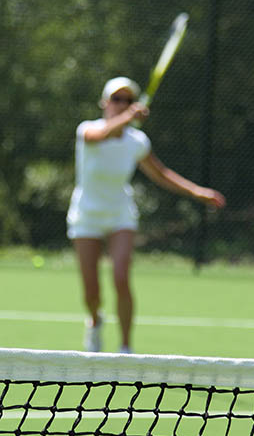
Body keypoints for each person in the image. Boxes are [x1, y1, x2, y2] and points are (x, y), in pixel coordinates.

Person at [67, 77, 226, 354]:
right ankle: (94, 321)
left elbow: (161, 174)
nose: (122, 105)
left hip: (120, 215)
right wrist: (129, 117)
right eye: (117, 99)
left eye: (128, 100)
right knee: (91, 290)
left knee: (120, 276)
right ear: (105, 103)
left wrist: (197, 192)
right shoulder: (88, 130)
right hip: (86, 216)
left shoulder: (137, 141)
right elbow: (99, 137)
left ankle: (126, 347)